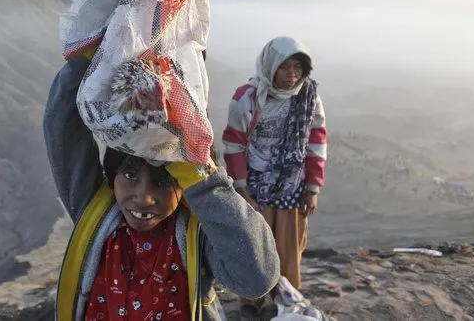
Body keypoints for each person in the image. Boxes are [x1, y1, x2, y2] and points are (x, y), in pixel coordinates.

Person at [43, 51, 280, 321]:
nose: (144, 198)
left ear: (185, 186)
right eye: (130, 175)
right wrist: (93, 57)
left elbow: (257, 278)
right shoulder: (98, 217)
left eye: (163, 181)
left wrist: (196, 172)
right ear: (112, 177)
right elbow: (62, 129)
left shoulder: (197, 237)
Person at [222, 36, 327, 298]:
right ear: (270, 65)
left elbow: (316, 142)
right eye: (285, 67)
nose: (292, 75)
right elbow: (234, 145)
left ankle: (286, 300)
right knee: (256, 248)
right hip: (255, 188)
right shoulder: (247, 98)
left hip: (293, 186)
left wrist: (312, 188)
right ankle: (254, 300)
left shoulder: (308, 98)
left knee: (289, 249)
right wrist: (243, 191)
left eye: (298, 68)